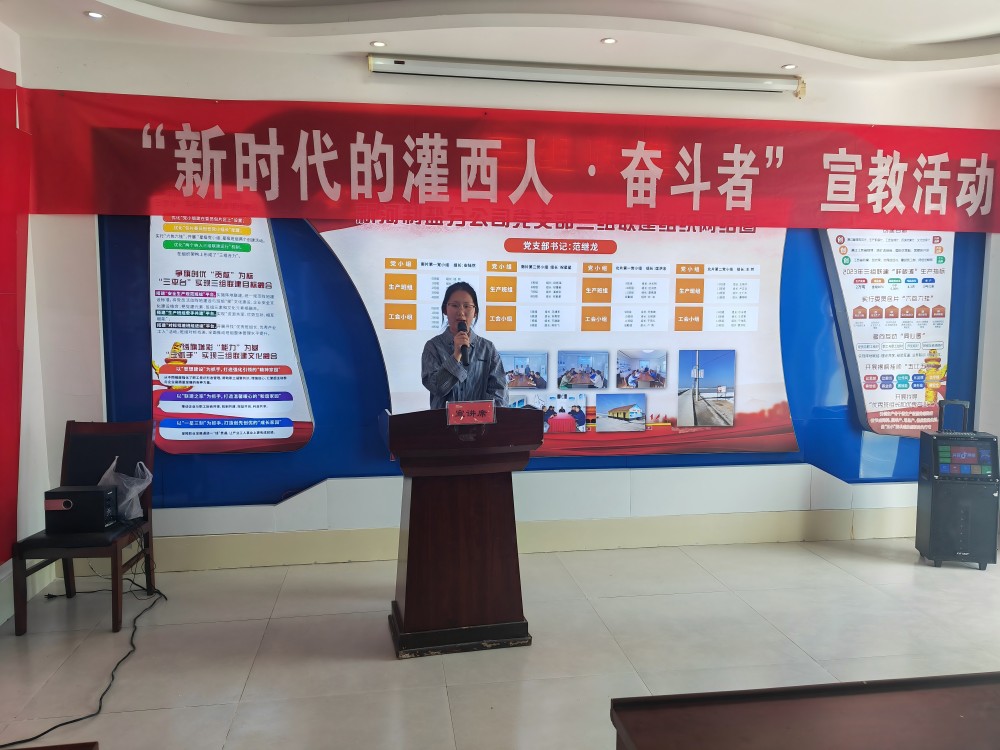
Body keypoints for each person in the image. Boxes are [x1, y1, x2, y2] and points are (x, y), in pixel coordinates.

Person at [421, 281, 508, 409]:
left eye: (467, 306)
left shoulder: (488, 349)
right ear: (445, 309)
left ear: (475, 312)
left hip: (480, 421)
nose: (461, 312)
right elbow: (437, 388)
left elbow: (500, 396)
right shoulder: (433, 347)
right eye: (455, 305)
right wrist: (456, 356)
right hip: (443, 422)